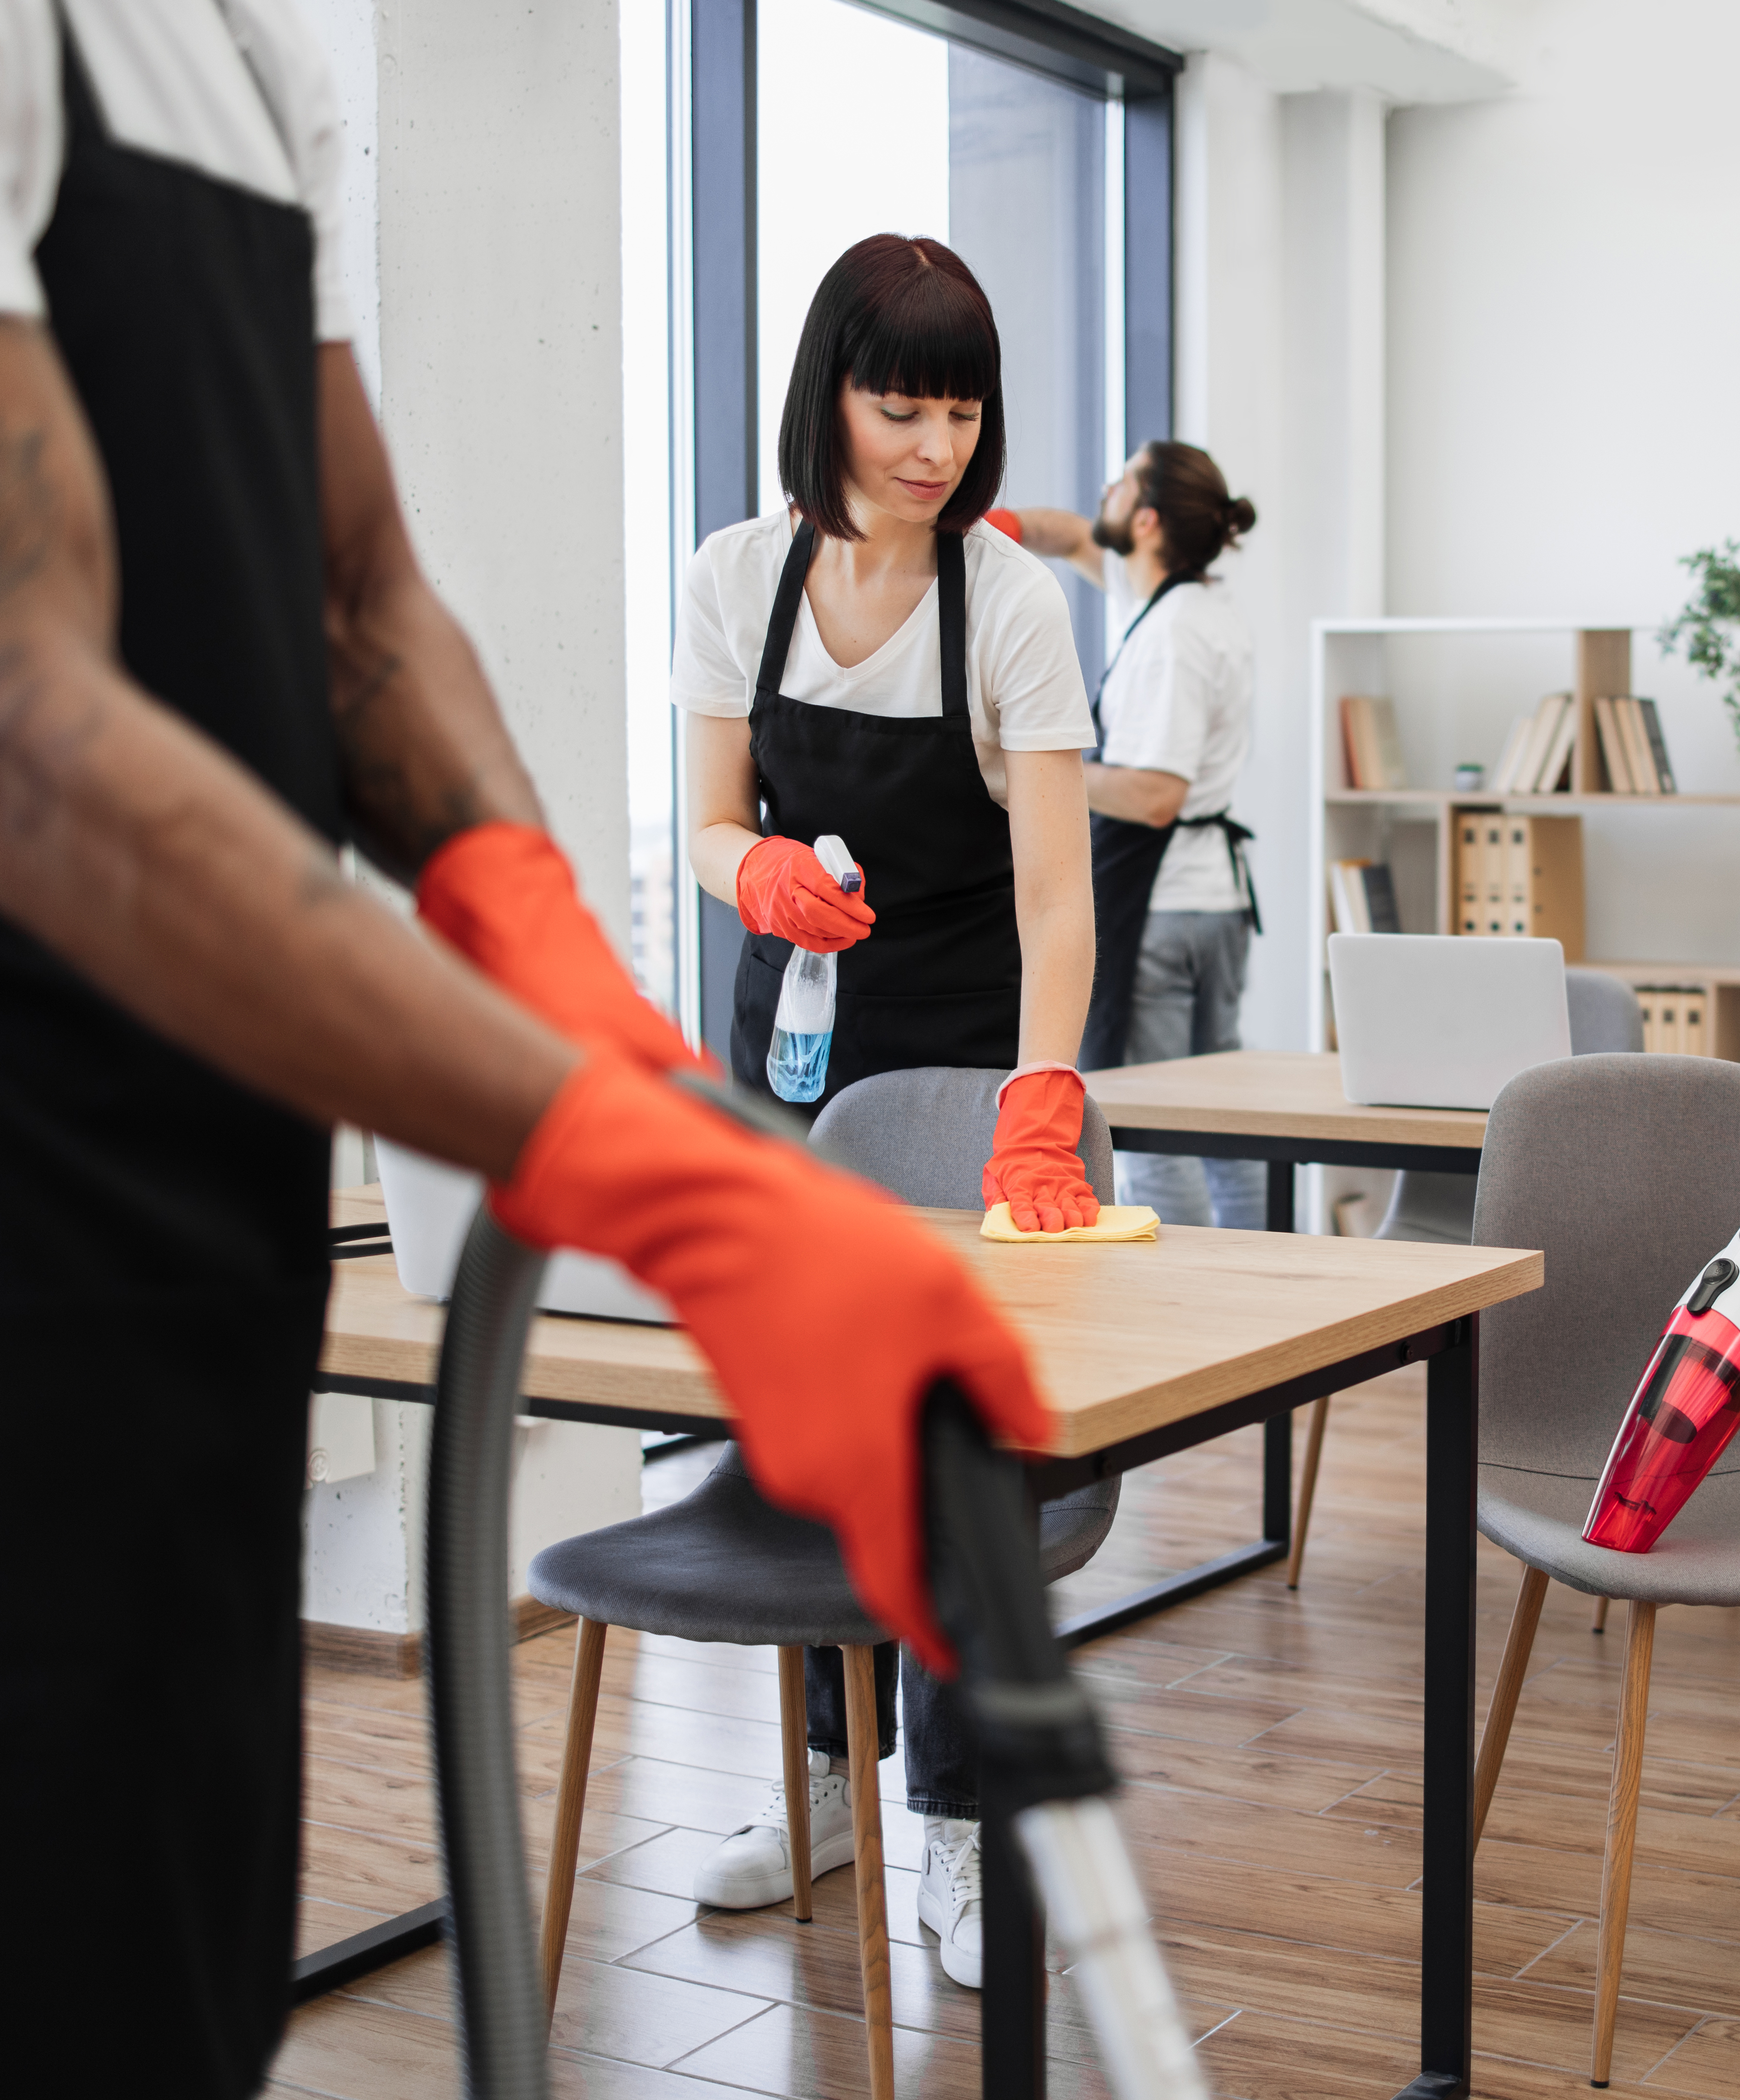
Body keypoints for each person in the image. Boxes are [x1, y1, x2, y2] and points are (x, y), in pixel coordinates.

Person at [0, 7, 1043, 2090]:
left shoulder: (243, 51)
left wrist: (556, 962)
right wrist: (649, 1161)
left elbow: (358, 601)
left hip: (193, 1163)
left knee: (170, 1953)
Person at [671, 232, 1099, 1989]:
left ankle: (956, 1820)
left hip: (959, 1060)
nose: (933, 443)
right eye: (897, 403)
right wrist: (756, 873)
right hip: (790, 1040)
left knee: (950, 1443)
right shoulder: (735, 577)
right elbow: (706, 825)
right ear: (827, 399)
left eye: (960, 408)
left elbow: (1060, 894)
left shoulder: (1007, 600)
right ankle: (828, 1784)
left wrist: (1043, 1099)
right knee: (797, 1421)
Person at [1012, 441, 1265, 1227]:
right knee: (1225, 1131)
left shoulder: (1169, 637)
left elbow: (1156, 794)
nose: (1103, 488)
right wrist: (975, 524)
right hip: (1211, 905)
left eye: (1119, 481)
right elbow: (1065, 534)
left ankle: (1199, 1311)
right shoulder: (1174, 604)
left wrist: (1029, 772)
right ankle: (1258, 1305)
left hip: (1167, 914)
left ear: (1148, 518)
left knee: (1156, 1133)